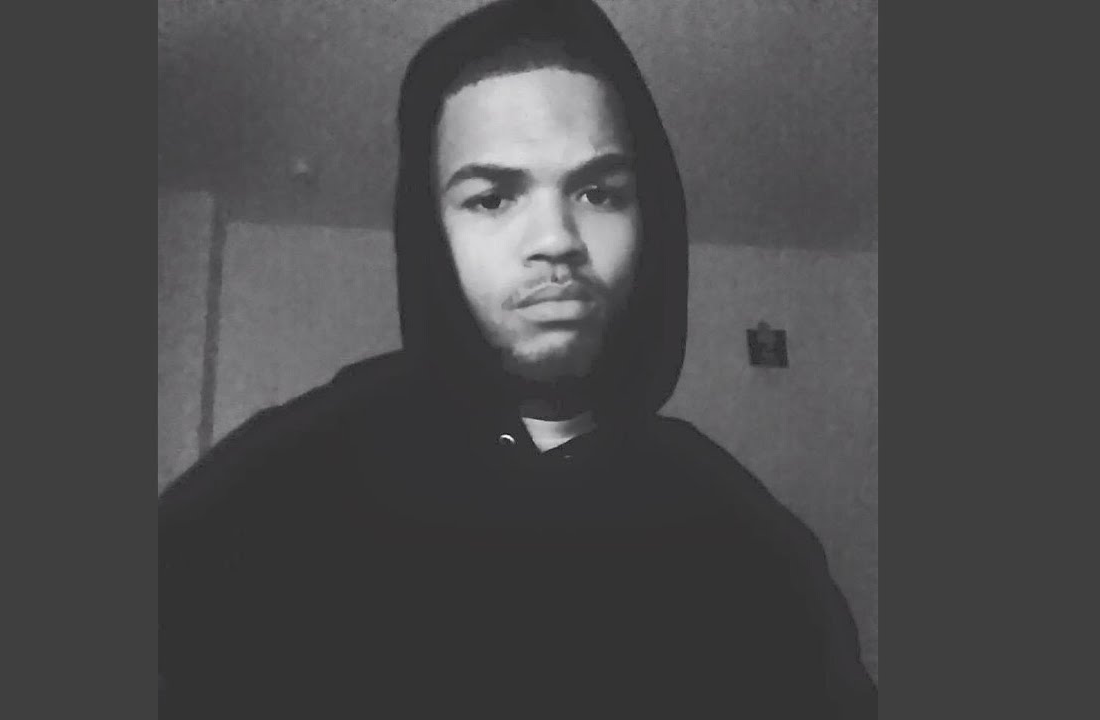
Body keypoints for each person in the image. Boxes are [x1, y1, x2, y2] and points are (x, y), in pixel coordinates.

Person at [159, 0, 876, 716]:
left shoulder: (747, 539)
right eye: (494, 198)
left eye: (598, 192)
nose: (556, 239)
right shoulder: (278, 487)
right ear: (429, 231)